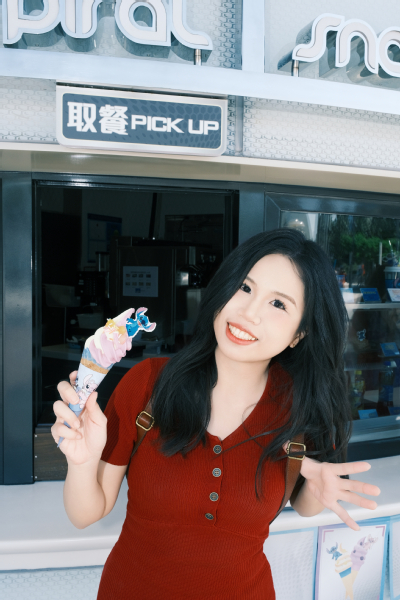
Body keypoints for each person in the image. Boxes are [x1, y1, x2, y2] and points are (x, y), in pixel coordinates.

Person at [52, 228, 381, 600]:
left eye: (278, 304)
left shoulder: (303, 406)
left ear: (299, 334)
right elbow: (85, 514)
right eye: (244, 287)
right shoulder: (148, 385)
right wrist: (81, 463)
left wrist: (319, 491)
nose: (248, 312)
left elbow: (305, 505)